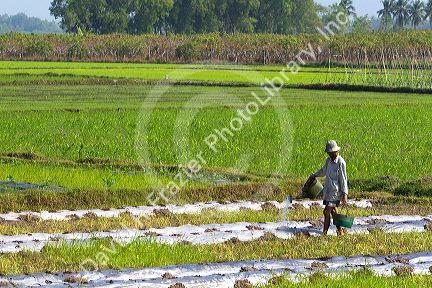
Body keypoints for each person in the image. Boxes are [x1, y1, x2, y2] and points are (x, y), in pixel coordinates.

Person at [310, 140, 348, 236]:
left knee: (326, 211)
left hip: (335, 192)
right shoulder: (328, 161)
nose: (330, 154)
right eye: (329, 153)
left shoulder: (340, 162)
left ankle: (324, 233)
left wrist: (344, 194)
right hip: (328, 190)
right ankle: (340, 232)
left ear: (336, 151)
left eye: (331, 152)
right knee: (334, 212)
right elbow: (323, 170)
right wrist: (315, 175)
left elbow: (343, 179)